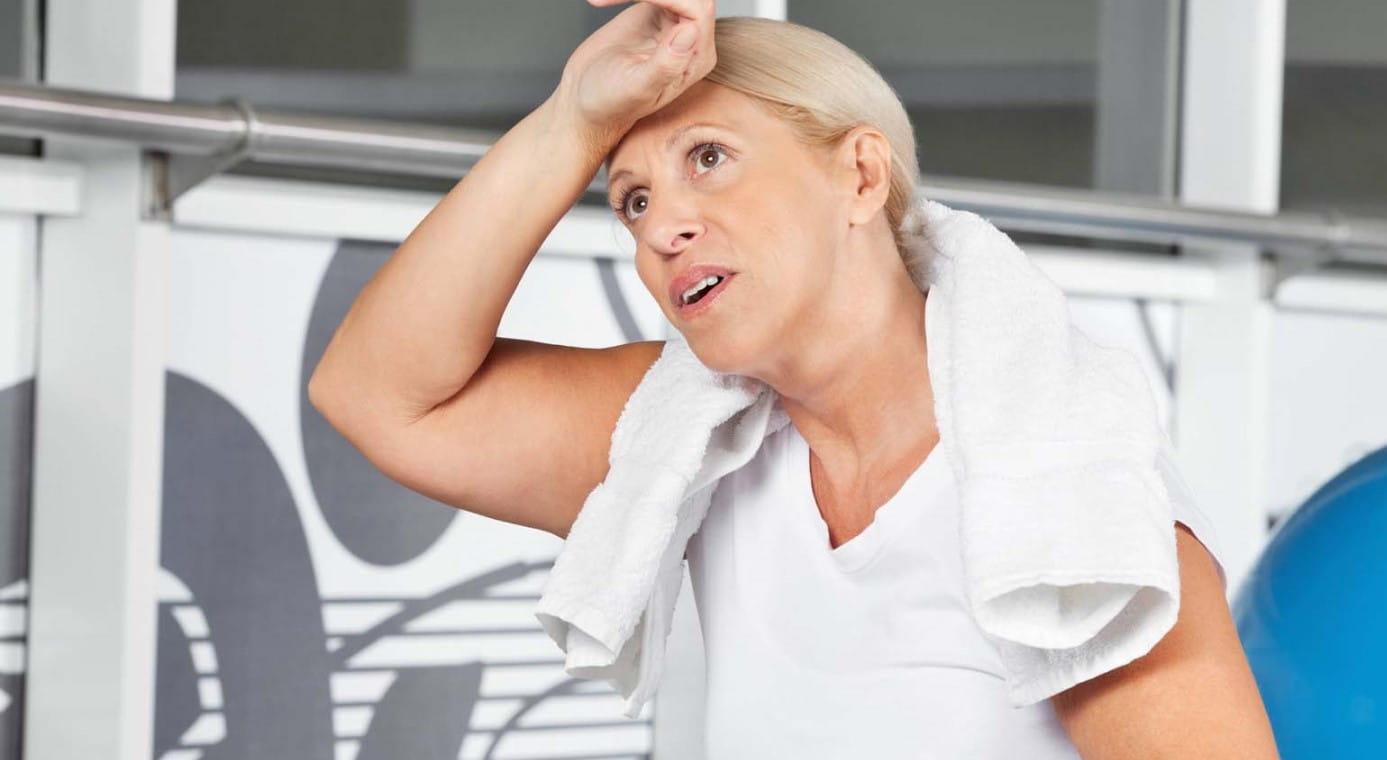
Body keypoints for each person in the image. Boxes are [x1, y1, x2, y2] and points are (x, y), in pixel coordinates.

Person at [307, 0, 1281, 756]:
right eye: (632, 200)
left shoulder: (1067, 497)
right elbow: (376, 397)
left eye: (709, 158)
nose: (662, 226)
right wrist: (573, 118)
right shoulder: (690, 446)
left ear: (859, 177)